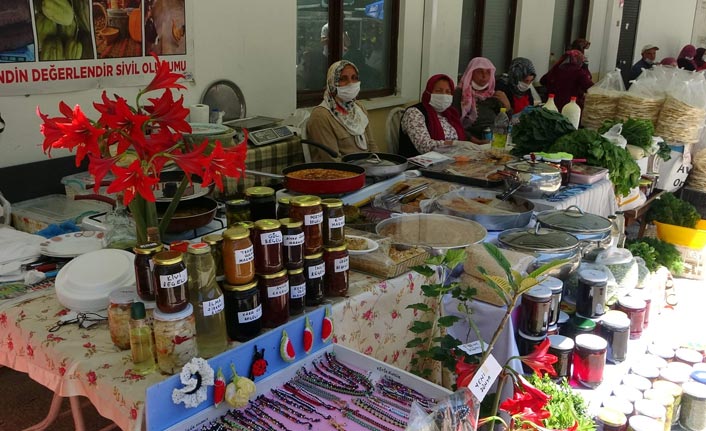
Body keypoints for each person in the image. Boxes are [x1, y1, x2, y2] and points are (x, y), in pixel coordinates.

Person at [306, 60, 378, 162]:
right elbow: (333, 160)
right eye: (343, 79)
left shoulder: (359, 109)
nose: (350, 83)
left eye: (354, 78)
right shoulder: (321, 116)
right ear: (332, 82)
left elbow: (372, 145)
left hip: (368, 170)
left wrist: (379, 166)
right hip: (340, 174)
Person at [398, 74, 467, 157]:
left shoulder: (451, 114)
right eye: (438, 91)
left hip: (451, 159)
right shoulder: (414, 113)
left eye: (448, 92)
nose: (444, 95)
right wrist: (454, 144)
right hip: (420, 165)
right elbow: (424, 146)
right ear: (429, 92)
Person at [453, 57, 511, 144]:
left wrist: (507, 106)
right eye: (480, 72)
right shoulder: (460, 94)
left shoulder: (493, 94)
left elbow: (505, 121)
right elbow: (453, 122)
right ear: (471, 73)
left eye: (488, 72)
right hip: (468, 142)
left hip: (493, 140)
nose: (484, 76)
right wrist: (474, 140)